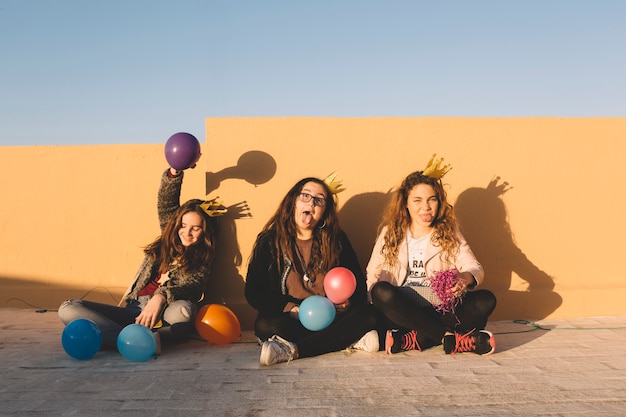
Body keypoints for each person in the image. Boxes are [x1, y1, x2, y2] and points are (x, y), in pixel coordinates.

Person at [58, 166, 224, 352]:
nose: (187, 232)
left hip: (165, 313)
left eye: (195, 228)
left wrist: (160, 297)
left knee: (184, 311)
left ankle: (119, 338)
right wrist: (175, 172)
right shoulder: (166, 241)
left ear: (204, 232)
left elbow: (192, 286)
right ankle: (133, 340)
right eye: (183, 226)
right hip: (135, 310)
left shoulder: (203, 257)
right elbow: (166, 203)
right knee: (68, 308)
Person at [245, 174, 382, 366]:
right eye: (305, 196)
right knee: (266, 325)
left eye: (319, 200)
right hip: (291, 316)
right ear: (293, 201)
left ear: (325, 211)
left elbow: (357, 282)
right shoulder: (270, 240)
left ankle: (293, 350)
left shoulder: (337, 240)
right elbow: (253, 291)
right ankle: (344, 340)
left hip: (331, 314)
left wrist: (346, 303)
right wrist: (291, 308)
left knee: (370, 316)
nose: (312, 203)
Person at [366, 155, 497, 355]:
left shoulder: (449, 231)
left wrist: (465, 278)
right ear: (406, 204)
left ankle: (419, 337)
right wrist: (380, 305)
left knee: (485, 300)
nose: (426, 207)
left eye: (432, 199)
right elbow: (372, 274)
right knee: (380, 291)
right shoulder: (390, 232)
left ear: (439, 202)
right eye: (417, 200)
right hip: (404, 309)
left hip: (441, 307)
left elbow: (474, 267)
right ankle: (449, 338)